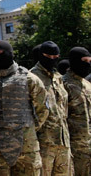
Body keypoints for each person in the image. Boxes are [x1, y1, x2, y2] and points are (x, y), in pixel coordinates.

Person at [0, 40, 49, 176]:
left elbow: (43, 108)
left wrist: (29, 128)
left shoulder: (28, 78)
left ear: (10, 54)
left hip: (27, 148)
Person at [30, 41, 72, 176]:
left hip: (63, 142)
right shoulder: (32, 77)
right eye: (49, 56)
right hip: (44, 144)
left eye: (56, 57)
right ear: (42, 56)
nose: (53, 60)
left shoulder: (58, 78)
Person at [62, 47, 91, 176]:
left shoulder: (87, 84)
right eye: (84, 60)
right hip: (75, 147)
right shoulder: (63, 84)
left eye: (89, 61)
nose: (88, 64)